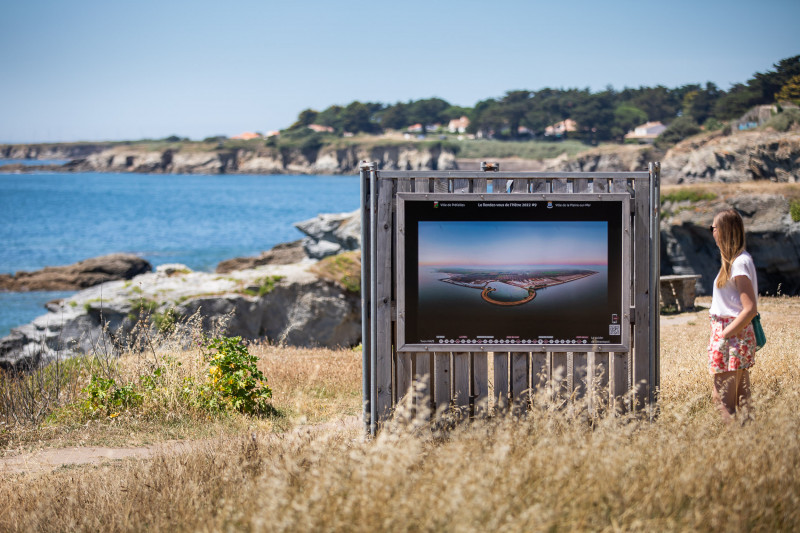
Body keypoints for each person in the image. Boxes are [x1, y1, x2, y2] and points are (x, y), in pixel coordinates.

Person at [707, 209, 758, 424]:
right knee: (742, 402)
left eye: (713, 228)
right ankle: (749, 448)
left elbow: (749, 308)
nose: (712, 233)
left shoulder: (738, 263)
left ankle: (731, 450)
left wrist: (724, 334)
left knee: (721, 401)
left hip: (732, 335)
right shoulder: (739, 261)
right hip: (737, 335)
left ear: (724, 231)